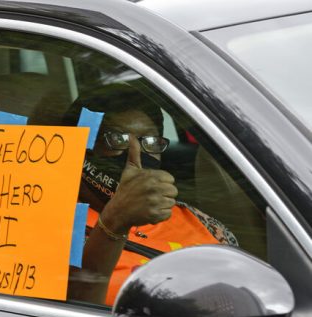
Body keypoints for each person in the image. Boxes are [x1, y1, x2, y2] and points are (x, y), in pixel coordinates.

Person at [34, 83, 236, 305]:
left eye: (149, 141)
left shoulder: (200, 222)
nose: (136, 153)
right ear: (82, 146)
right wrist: (116, 220)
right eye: (117, 140)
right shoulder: (45, 224)